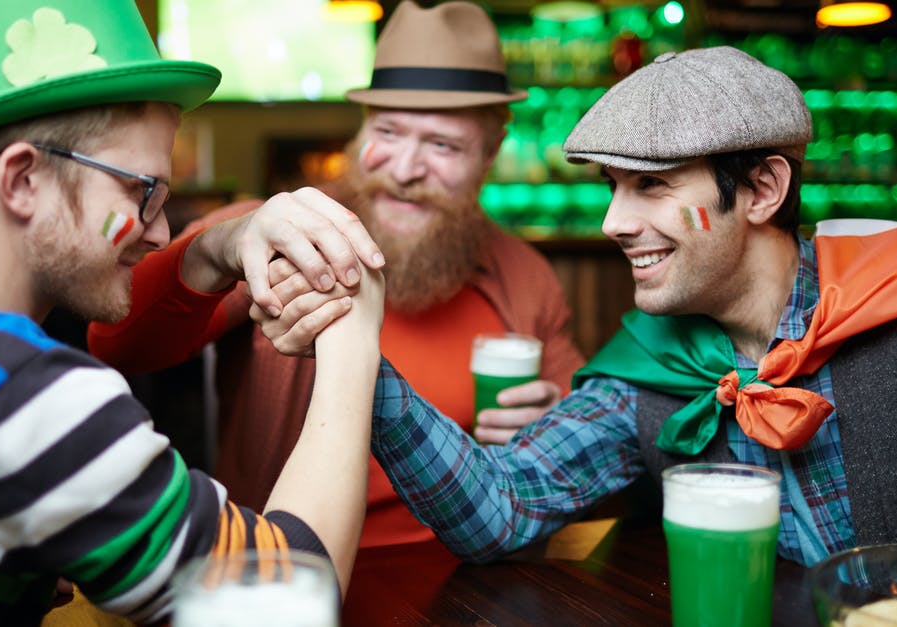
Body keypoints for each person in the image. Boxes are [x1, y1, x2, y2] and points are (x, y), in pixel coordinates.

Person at [266, 46, 897, 566]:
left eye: (650, 186)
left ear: (761, 190)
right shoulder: (649, 373)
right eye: (611, 187)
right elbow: (498, 508)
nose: (613, 223)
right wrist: (359, 347)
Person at [0, 1, 386, 624]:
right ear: (23, 180)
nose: (159, 229)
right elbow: (287, 601)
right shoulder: (26, 400)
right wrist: (355, 332)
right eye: (142, 191)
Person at [88, 0, 585, 548]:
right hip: (291, 571)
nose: (404, 169)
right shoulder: (276, 230)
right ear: (361, 130)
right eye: (389, 132)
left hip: (467, 574)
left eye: (443, 145)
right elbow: (115, 343)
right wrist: (215, 249)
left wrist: (550, 428)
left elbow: (583, 428)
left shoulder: (524, 274)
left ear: (489, 156)